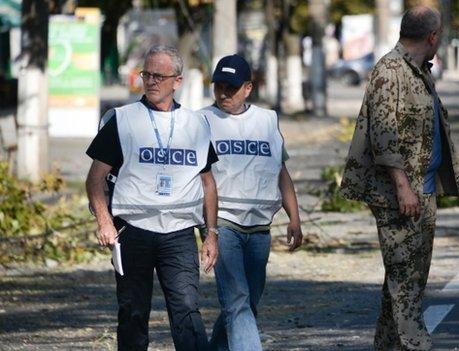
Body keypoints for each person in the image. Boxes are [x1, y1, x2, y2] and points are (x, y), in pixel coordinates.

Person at [339, 7, 459, 351]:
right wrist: (402, 187)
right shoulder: (390, 71)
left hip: (423, 193)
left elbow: (436, 132)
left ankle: (387, 345)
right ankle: (417, 344)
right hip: (396, 195)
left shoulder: (419, 73)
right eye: (440, 35)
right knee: (405, 278)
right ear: (432, 37)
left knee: (408, 279)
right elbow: (383, 136)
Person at [85, 45, 219, 351]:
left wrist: (210, 234)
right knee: (132, 314)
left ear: (177, 81)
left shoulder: (197, 123)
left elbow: (208, 184)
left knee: (187, 311)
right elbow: (94, 179)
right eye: (147, 74)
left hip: (179, 233)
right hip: (133, 231)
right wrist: (105, 222)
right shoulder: (123, 119)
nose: (152, 81)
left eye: (160, 75)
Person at [198, 54, 303, 351]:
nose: (223, 94)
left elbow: (280, 172)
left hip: (259, 228)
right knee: (237, 301)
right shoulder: (201, 120)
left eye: (231, 88)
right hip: (223, 224)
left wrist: (294, 219)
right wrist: (208, 230)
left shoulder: (267, 121)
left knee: (247, 303)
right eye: (219, 86)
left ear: (248, 88)